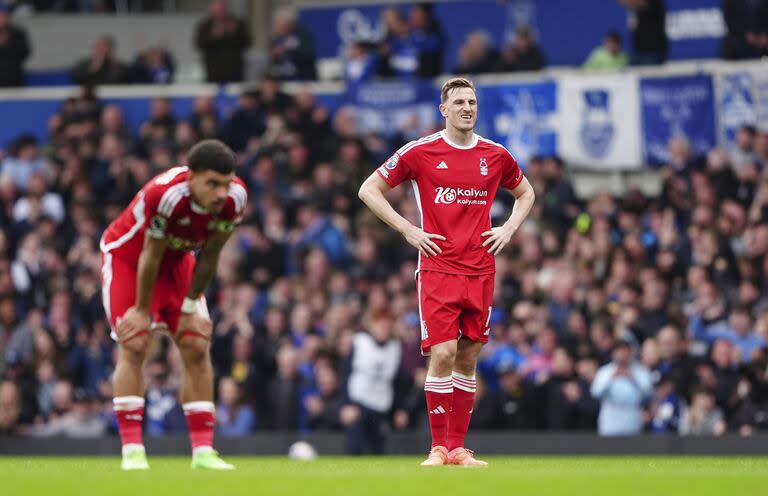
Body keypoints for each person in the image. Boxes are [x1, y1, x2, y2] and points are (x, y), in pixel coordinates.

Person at [358, 77, 536, 466]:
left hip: (481, 269)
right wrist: (408, 228)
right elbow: (368, 189)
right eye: (459, 102)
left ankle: (457, 448)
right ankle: (438, 447)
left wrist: (507, 229)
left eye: (472, 102)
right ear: (444, 110)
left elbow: (526, 193)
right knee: (443, 352)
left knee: (468, 357)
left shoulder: (495, 155)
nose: (467, 108)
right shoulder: (421, 151)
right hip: (438, 268)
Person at [100, 139, 247, 470]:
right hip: (129, 258)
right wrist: (140, 310)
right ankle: (133, 451)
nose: (221, 192)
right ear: (190, 177)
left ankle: (203, 453)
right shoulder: (165, 194)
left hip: (177, 262)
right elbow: (149, 255)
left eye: (226, 183)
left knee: (196, 345)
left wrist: (191, 307)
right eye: (212, 183)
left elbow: (210, 255)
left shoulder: (234, 199)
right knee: (135, 343)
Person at [590, 340, 653, 436]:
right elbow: (595, 392)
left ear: (630, 353)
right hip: (610, 423)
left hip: (632, 422)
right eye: (619, 354)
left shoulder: (641, 371)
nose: (622, 357)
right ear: (613, 354)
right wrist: (611, 378)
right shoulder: (605, 372)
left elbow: (649, 394)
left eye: (625, 353)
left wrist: (633, 379)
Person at [195, 0, 250, 83]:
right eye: (218, 6)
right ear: (212, 7)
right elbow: (199, 44)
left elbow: (248, 43)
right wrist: (213, 35)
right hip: (213, 73)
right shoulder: (205, 25)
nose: (220, 9)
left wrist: (233, 34)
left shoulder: (237, 23)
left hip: (235, 73)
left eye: (222, 6)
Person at [618, 0, 668, 65]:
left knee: (650, 73)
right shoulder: (636, 10)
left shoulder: (655, 3)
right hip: (637, 51)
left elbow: (638, 3)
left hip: (652, 52)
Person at [0, 2, 30, 87]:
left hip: (13, 79)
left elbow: (25, 53)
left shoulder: (18, 33)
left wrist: (7, 41)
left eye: (3, 15)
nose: (1, 18)